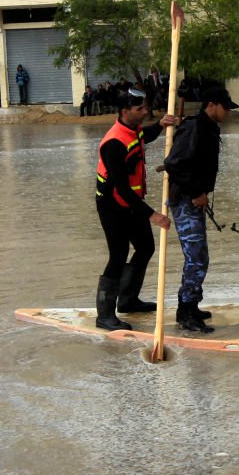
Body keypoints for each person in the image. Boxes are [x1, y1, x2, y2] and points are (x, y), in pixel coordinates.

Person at [94, 88, 177, 330]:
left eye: (145, 107)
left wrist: (160, 125)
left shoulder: (133, 130)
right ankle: (105, 315)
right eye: (140, 108)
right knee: (118, 256)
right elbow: (121, 189)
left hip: (131, 203)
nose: (145, 111)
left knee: (145, 247)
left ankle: (128, 300)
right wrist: (153, 215)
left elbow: (144, 136)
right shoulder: (113, 142)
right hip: (112, 205)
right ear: (125, 111)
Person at [163, 86, 239, 333]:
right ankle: (185, 312)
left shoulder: (207, 127)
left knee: (200, 257)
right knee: (196, 258)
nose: (228, 112)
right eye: (226, 107)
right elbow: (173, 164)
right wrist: (196, 193)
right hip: (186, 200)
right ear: (212, 105)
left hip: (194, 199)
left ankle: (191, 306)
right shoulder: (195, 127)